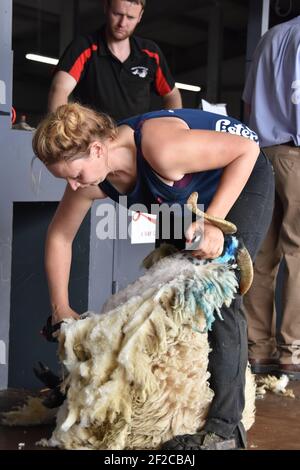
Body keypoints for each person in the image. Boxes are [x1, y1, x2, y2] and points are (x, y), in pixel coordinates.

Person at [32, 103, 274, 449]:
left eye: (76, 174)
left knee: (216, 285)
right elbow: (60, 236)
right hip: (183, 197)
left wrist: (213, 223)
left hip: (244, 174)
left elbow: (246, 150)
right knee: (164, 284)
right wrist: (61, 308)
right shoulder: (92, 178)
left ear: (98, 149)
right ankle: (158, 403)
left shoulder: (161, 150)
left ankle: (226, 431)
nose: (72, 185)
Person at [243, 16, 300, 379]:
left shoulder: (270, 37)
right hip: (297, 154)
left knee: (261, 256)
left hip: (259, 153)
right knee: (298, 252)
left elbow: (248, 105)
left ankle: (257, 348)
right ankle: (292, 350)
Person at [48, 0, 182, 119]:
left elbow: (172, 94)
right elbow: (59, 89)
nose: (122, 23)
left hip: (134, 139)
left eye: (130, 17)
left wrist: (172, 124)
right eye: (117, 14)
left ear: (140, 16)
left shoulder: (150, 54)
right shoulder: (85, 47)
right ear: (106, 6)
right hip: (93, 138)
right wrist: (59, 133)